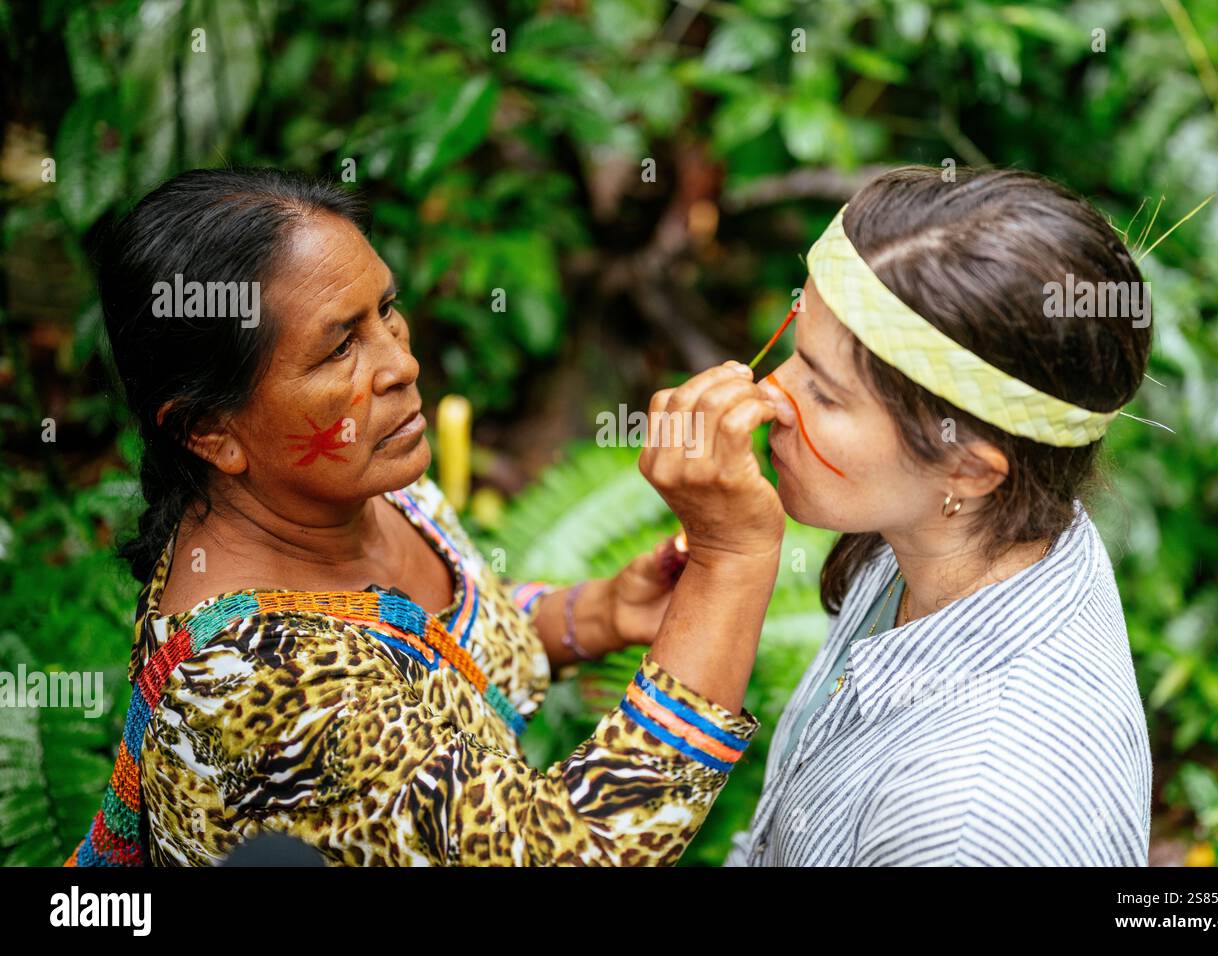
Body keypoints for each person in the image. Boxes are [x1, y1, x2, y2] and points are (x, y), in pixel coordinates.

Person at [65, 168, 784, 866]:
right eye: (339, 347)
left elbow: (440, 647)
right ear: (209, 431)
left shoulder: (363, 488)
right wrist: (731, 557)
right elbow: (570, 849)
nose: (399, 364)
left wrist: (595, 614)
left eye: (386, 309)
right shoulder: (261, 685)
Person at [725, 166, 1154, 866]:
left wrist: (727, 565)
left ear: (969, 467)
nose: (768, 393)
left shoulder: (971, 822)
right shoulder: (947, 536)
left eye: (826, 395)